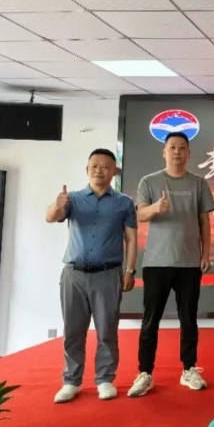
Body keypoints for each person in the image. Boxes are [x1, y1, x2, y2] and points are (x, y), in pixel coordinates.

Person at [127, 131, 214, 397]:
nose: (177, 152)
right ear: (164, 152)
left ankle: (189, 368)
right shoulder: (149, 181)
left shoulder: (199, 183)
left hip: (189, 263)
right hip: (157, 262)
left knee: (188, 319)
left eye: (182, 147)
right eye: (172, 147)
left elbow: (204, 222)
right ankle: (145, 372)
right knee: (150, 320)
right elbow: (141, 214)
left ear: (189, 153)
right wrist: (156, 208)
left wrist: (206, 254)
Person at [46, 148, 137, 403]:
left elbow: (131, 239)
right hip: (73, 274)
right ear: (87, 170)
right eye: (94, 166)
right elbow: (51, 217)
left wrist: (130, 271)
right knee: (73, 331)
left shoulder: (124, 202)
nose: (99, 170)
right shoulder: (73, 199)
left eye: (105, 167)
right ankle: (71, 381)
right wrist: (57, 205)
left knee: (107, 330)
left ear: (114, 171)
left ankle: (105, 379)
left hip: (108, 274)